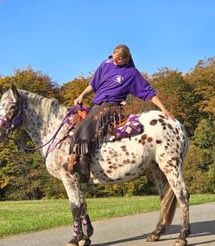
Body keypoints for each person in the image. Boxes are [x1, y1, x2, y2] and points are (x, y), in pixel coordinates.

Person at [68, 44, 174, 182]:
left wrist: (163, 109)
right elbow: (93, 84)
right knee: (78, 123)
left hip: (112, 106)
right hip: (98, 104)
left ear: (126, 59)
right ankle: (84, 158)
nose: (115, 60)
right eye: (114, 57)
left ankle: (81, 165)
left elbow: (148, 91)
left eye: (118, 59)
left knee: (86, 125)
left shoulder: (131, 73)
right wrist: (81, 95)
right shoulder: (105, 64)